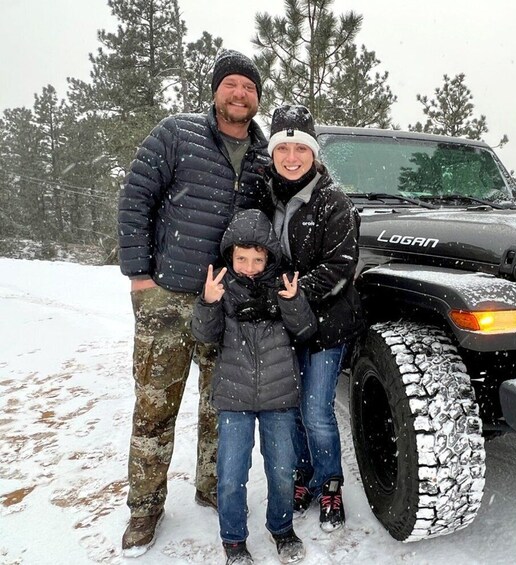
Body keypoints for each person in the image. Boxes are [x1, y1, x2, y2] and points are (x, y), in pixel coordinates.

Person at [117, 49, 274, 555]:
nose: (239, 94)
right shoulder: (177, 134)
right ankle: (144, 510)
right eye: (231, 84)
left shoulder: (261, 153)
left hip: (225, 300)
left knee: (218, 403)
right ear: (215, 91)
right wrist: (139, 275)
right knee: (155, 406)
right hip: (167, 291)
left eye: (248, 88)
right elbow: (136, 197)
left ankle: (212, 485)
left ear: (256, 97)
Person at [192, 209, 316, 565]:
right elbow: (204, 335)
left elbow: (305, 331)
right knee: (231, 475)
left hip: (279, 397)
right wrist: (208, 303)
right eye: (241, 258)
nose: (248, 266)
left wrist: (293, 303)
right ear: (230, 256)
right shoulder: (220, 288)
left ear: (269, 258)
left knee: (281, 471)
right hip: (234, 397)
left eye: (257, 259)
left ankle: (281, 529)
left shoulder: (284, 287)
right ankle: (233, 541)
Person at [267, 104, 363, 532]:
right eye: (282, 148)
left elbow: (341, 264)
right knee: (291, 409)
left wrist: (295, 294)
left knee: (316, 409)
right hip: (281, 325)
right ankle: (303, 475)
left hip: (328, 323)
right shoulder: (265, 196)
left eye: (299, 148)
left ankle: (331, 484)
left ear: (313, 153)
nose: (291, 157)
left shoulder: (333, 202)